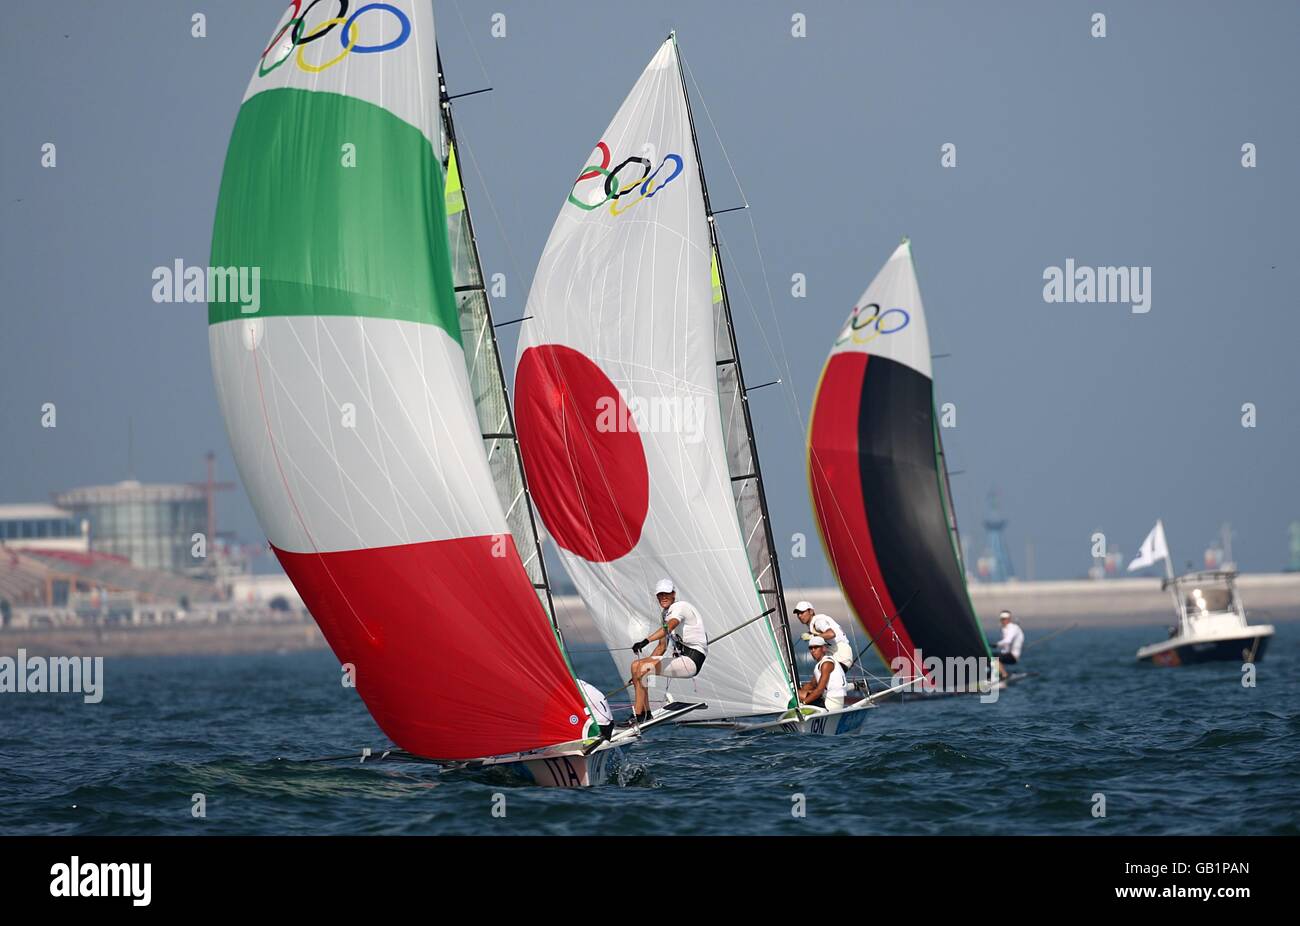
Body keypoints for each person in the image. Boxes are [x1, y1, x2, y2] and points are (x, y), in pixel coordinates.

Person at [625, 578, 707, 725]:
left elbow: (669, 626)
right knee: (636, 666)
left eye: (667, 594)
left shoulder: (680, 607)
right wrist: (638, 673)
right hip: (683, 659)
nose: (663, 597)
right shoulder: (665, 614)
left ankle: (637, 718)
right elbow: (662, 647)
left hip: (692, 660)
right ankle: (646, 714)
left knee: (642, 668)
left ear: (673, 594)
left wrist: (645, 641)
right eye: (660, 595)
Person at [792, 600, 853, 670]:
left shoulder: (818, 621)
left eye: (802, 612)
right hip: (838, 655)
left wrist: (812, 637)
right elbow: (821, 634)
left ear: (811, 611)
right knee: (819, 673)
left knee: (823, 674)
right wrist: (811, 635)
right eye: (798, 614)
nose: (799, 616)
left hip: (841, 655)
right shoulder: (814, 623)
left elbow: (831, 634)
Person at [798, 638, 848, 711]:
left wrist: (803, 703)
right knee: (797, 693)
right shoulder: (821, 663)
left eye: (816, 647)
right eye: (811, 648)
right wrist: (796, 689)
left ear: (824, 648)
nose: (813, 651)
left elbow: (819, 690)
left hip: (831, 704)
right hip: (828, 699)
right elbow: (812, 685)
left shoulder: (826, 663)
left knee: (799, 695)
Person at [993, 610, 1024, 680]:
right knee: (987, 656)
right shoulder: (1003, 628)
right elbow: (1005, 645)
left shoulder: (1013, 628)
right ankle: (994, 674)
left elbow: (1008, 640)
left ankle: (1004, 675)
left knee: (993, 658)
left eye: (1005, 619)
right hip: (1007, 653)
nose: (1003, 621)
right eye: (1002, 619)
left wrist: (996, 644)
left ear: (1009, 619)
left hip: (1013, 656)